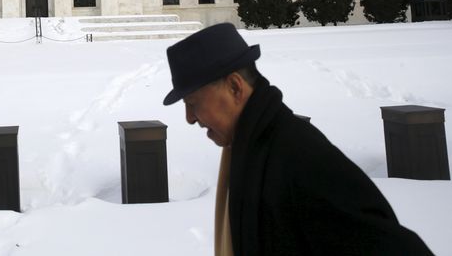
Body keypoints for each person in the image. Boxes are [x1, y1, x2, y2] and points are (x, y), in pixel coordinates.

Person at [163, 22, 433, 256]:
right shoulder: (250, 149)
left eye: (193, 103)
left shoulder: (296, 158)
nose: (189, 118)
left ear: (235, 87)